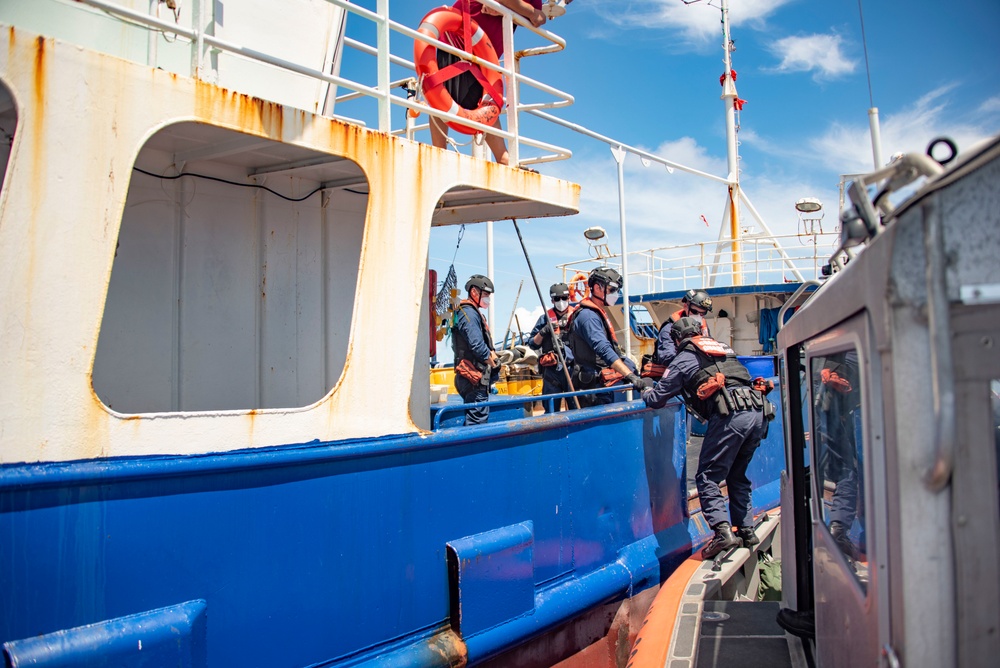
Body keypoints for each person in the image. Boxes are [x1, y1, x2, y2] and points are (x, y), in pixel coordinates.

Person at [641, 317, 775, 558]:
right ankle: (745, 529)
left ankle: (722, 532)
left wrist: (645, 388)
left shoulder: (683, 357)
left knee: (707, 476)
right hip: (758, 411)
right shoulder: (722, 348)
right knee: (736, 473)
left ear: (678, 339)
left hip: (731, 414)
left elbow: (657, 398)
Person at [432, 0, 550, 165]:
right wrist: (528, 12)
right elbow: (533, 15)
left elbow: (538, 18)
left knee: (487, 102)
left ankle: (503, 157)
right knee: (440, 93)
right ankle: (439, 152)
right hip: (457, 37)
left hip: (484, 54)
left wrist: (507, 9)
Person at [567, 267, 648, 407]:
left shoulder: (595, 313)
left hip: (600, 386)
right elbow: (603, 349)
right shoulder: (588, 317)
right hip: (592, 390)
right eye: (612, 290)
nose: (615, 294)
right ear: (598, 288)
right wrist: (630, 375)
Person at [452, 274, 500, 425]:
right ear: (474, 292)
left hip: (473, 377)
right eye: (485, 294)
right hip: (473, 378)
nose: (488, 299)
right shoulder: (470, 313)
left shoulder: (470, 312)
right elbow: (477, 345)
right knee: (477, 422)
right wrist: (494, 363)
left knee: (475, 418)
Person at [528, 282, 575, 412]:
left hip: (573, 369)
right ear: (552, 300)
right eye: (557, 299)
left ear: (569, 298)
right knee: (551, 410)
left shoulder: (576, 316)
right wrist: (544, 331)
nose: (561, 301)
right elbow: (532, 343)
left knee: (576, 408)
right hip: (552, 372)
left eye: (564, 298)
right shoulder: (544, 319)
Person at [644, 289, 714, 377]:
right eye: (695, 312)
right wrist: (693, 361)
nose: (698, 316)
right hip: (674, 373)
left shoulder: (702, 327)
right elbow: (667, 356)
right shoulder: (669, 328)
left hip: (697, 370)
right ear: (685, 306)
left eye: (703, 313)